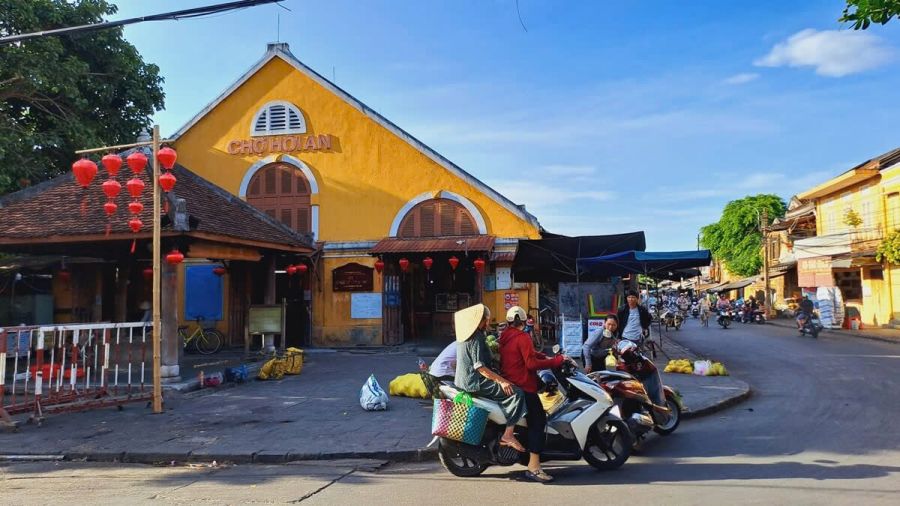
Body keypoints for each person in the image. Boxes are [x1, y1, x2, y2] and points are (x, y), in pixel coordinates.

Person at [499, 306, 567, 483]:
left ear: (508, 322)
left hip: (511, 383)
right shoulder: (523, 337)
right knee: (538, 421)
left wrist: (543, 356)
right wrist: (555, 361)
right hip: (523, 385)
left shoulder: (504, 337)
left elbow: (525, 355)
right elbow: (529, 363)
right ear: (523, 321)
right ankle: (534, 467)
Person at [454, 304, 526, 453]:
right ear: (478, 321)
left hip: (464, 380)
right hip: (475, 382)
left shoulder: (464, 335)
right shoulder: (476, 337)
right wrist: (502, 381)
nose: (487, 323)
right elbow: (480, 367)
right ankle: (508, 434)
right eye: (485, 320)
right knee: (517, 393)